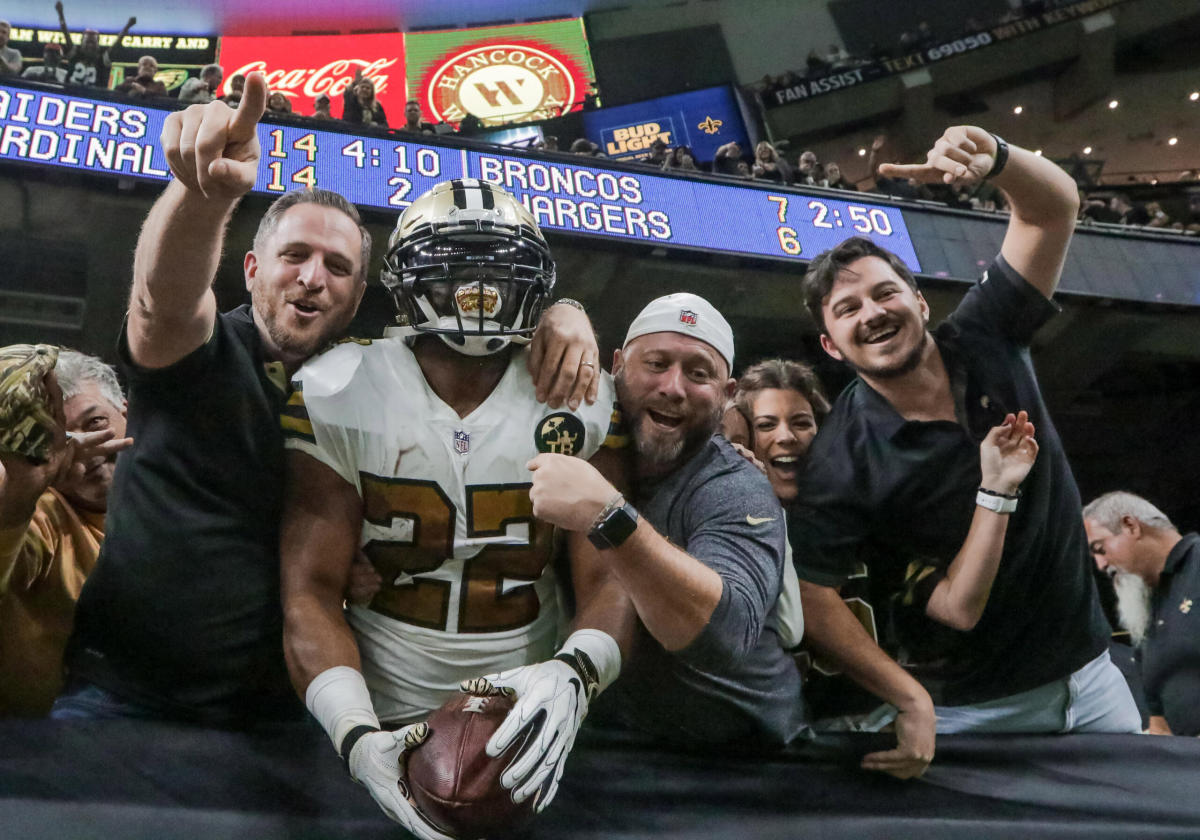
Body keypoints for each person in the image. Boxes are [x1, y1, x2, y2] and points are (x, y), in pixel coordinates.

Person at [54, 73, 599, 726]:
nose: (313, 278)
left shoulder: (369, 379)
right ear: (252, 268)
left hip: (287, 705)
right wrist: (201, 199)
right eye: (295, 256)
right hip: (129, 696)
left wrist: (563, 313)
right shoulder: (196, 354)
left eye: (337, 267)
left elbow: (474, 339)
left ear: (362, 289)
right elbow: (160, 300)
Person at [789, 126, 1140, 780]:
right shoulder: (843, 457)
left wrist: (1000, 160)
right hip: (975, 711)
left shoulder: (985, 332)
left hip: (1095, 677)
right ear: (833, 346)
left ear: (919, 302)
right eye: (847, 309)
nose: (871, 311)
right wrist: (905, 694)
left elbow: (1053, 208)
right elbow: (811, 591)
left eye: (884, 292)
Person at [281, 178, 624, 837]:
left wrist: (575, 672)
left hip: (537, 710)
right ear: (410, 282)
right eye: (456, 270)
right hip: (375, 703)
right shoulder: (339, 385)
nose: (479, 290)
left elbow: (613, 572)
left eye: (498, 269)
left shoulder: (583, 395)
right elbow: (311, 590)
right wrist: (353, 733)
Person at [524, 293, 809, 751]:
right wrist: (566, 310)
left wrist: (610, 516)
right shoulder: (575, 438)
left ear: (728, 396)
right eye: (656, 364)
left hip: (744, 758)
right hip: (615, 734)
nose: (673, 387)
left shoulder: (735, 485)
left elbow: (724, 637)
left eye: (699, 374)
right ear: (616, 365)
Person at [1, 346, 132, 717]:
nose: (84, 451)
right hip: (37, 748)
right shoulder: (39, 510)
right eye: (60, 439)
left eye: (93, 424)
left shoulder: (182, 498)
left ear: (127, 412)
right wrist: (20, 491)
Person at [1083, 492, 1200, 737]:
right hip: (1184, 763)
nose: (1101, 565)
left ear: (1131, 526)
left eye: (1099, 548)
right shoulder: (1147, 600)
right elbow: (1160, 724)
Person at [54, 3, 135, 88]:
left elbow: (116, 45)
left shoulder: (101, 60)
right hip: (72, 95)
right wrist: (60, 14)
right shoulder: (75, 54)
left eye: (92, 42)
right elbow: (66, 35)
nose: (90, 45)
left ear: (98, 44)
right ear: (81, 42)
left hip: (95, 98)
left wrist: (127, 27)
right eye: (87, 42)